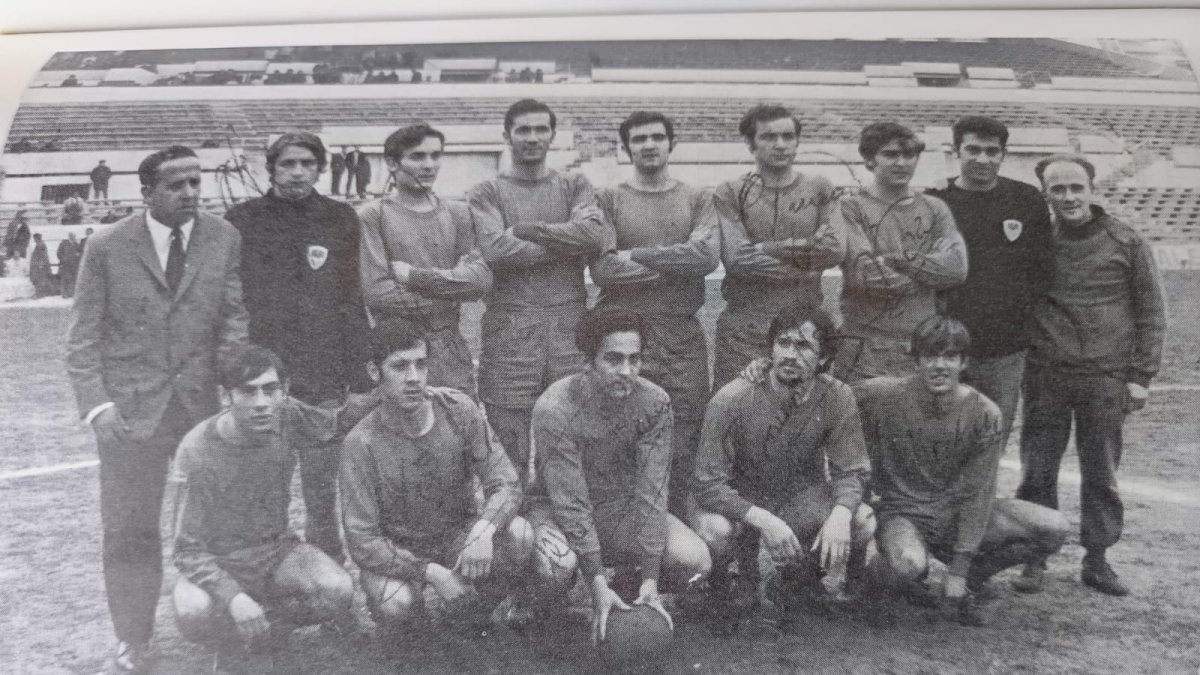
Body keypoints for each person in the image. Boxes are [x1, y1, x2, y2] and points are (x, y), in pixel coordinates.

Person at [65, 145, 249, 674]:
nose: (191, 193)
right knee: (129, 531)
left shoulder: (223, 237)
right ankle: (134, 641)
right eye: (177, 185)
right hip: (130, 416)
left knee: (217, 526)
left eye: (196, 182)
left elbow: (233, 316)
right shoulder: (106, 245)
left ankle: (224, 632)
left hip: (201, 409)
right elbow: (82, 339)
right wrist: (98, 408)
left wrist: (232, 384)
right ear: (147, 193)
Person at [1014, 154, 1167, 597]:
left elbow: (1152, 312)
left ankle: (1097, 559)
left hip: (1105, 376)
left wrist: (1141, 375)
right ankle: (1035, 554)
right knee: (1037, 469)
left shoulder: (1127, 240)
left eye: (1076, 187)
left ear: (1092, 189)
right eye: (1057, 189)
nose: (1068, 197)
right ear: (1046, 193)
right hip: (1046, 374)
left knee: (1101, 471)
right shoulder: (1035, 240)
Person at [856, 316, 1069, 626]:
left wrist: (958, 568)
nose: (939, 365)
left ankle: (968, 582)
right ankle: (878, 576)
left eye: (950, 356)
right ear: (916, 360)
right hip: (903, 515)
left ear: (964, 362)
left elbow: (978, 493)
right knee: (907, 565)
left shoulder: (984, 413)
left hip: (956, 516)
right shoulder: (882, 395)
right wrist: (761, 371)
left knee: (1054, 527)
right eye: (930, 356)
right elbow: (829, 394)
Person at [171, 346, 366, 673]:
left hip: (276, 551)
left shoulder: (286, 414)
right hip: (220, 559)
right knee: (192, 611)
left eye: (270, 389)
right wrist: (232, 596)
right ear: (226, 396)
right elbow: (186, 549)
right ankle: (235, 639)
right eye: (248, 392)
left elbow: (333, 424)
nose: (262, 402)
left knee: (338, 589)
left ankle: (266, 630)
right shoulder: (197, 450)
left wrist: (385, 392)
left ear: (284, 391)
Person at [340, 319, 540, 637]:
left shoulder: (458, 410)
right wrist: (430, 573)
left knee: (520, 534)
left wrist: (483, 531)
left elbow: (506, 482)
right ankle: (418, 635)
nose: (414, 378)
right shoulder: (360, 443)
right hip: (401, 551)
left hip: (456, 538)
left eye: (421, 365)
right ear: (374, 372)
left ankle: (467, 617)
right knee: (395, 602)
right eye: (400, 367)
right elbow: (362, 542)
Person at [224, 131, 371, 564]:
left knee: (322, 498)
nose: (297, 172)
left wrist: (359, 374)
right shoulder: (242, 219)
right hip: (264, 381)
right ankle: (267, 578)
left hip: (323, 378)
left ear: (321, 169)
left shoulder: (340, 218)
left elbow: (350, 300)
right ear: (270, 169)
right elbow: (231, 301)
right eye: (287, 164)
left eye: (307, 163)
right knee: (264, 490)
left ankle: (331, 585)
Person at [531, 307, 712, 646]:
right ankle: (544, 613)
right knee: (555, 565)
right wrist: (596, 580)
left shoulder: (655, 402)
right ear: (588, 361)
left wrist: (651, 579)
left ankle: (631, 589)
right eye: (613, 359)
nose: (626, 371)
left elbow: (652, 492)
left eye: (635, 359)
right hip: (557, 510)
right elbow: (571, 502)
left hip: (621, 507)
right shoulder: (554, 408)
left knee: (695, 559)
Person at [692, 304, 874, 626]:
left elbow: (851, 469)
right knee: (715, 530)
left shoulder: (836, 396)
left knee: (860, 519)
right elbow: (708, 484)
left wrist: (841, 512)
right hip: (739, 501)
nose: (790, 354)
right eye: (783, 343)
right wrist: (763, 519)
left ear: (823, 358)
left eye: (803, 346)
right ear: (770, 349)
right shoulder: (733, 398)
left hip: (795, 498)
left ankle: (804, 580)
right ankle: (727, 585)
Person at [467, 99, 610, 478]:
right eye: (523, 130)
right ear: (507, 136)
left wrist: (529, 230)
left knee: (568, 443)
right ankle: (515, 530)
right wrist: (566, 242)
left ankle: (562, 528)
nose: (532, 138)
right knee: (509, 450)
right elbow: (497, 250)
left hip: (569, 325)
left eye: (540, 129)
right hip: (510, 326)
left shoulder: (574, 184)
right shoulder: (487, 192)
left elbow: (594, 235)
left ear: (552, 135)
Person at [590, 110, 720, 515]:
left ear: (671, 143)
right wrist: (671, 263)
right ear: (626, 147)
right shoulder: (609, 199)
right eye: (639, 138)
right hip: (626, 338)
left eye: (657, 137)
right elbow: (604, 268)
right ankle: (632, 549)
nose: (649, 145)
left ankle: (682, 540)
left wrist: (638, 256)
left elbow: (704, 257)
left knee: (684, 436)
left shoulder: (698, 198)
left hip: (681, 336)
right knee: (624, 432)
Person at [928, 116, 1054, 450]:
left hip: (1006, 345)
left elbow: (1042, 269)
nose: (982, 159)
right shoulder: (936, 201)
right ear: (956, 151)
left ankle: (981, 502)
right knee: (942, 433)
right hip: (949, 342)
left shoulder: (1026, 199)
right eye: (973, 149)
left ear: (1003, 154)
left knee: (992, 435)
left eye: (992, 151)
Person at [712, 104, 844, 389]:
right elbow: (737, 259)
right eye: (769, 137)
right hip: (746, 328)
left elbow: (834, 250)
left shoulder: (819, 187)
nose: (781, 144)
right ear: (750, 143)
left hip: (804, 326)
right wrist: (804, 257)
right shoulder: (730, 191)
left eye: (788, 136)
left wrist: (763, 249)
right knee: (740, 409)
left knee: (804, 415)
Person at [359, 123, 491, 397]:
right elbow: (377, 292)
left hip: (450, 349)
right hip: (399, 350)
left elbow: (478, 283)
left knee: (458, 423)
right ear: (393, 164)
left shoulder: (458, 214)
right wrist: (450, 289)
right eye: (417, 157)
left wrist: (415, 278)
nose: (429, 165)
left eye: (435, 155)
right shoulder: (374, 216)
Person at [837, 122, 967, 382]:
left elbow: (956, 269)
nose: (901, 163)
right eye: (891, 154)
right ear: (869, 160)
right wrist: (929, 268)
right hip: (865, 344)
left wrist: (893, 260)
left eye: (909, 155)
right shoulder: (849, 207)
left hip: (922, 344)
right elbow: (868, 278)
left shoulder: (934, 207)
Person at [57, 231, 82, 298]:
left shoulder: (77, 244)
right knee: (65, 279)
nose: (73, 237)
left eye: (74, 236)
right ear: (69, 236)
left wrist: (78, 255)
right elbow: (59, 253)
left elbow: (80, 254)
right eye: (71, 236)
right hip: (65, 265)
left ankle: (71, 293)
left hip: (74, 265)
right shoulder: (63, 244)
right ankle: (65, 294)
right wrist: (63, 259)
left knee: (73, 279)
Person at [30, 232, 54, 297]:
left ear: (37, 238)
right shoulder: (38, 244)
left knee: (41, 280)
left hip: (41, 267)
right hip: (37, 266)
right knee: (38, 280)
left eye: (34, 238)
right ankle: (39, 293)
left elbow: (43, 256)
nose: (34, 240)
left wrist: (41, 264)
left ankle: (40, 294)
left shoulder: (41, 245)